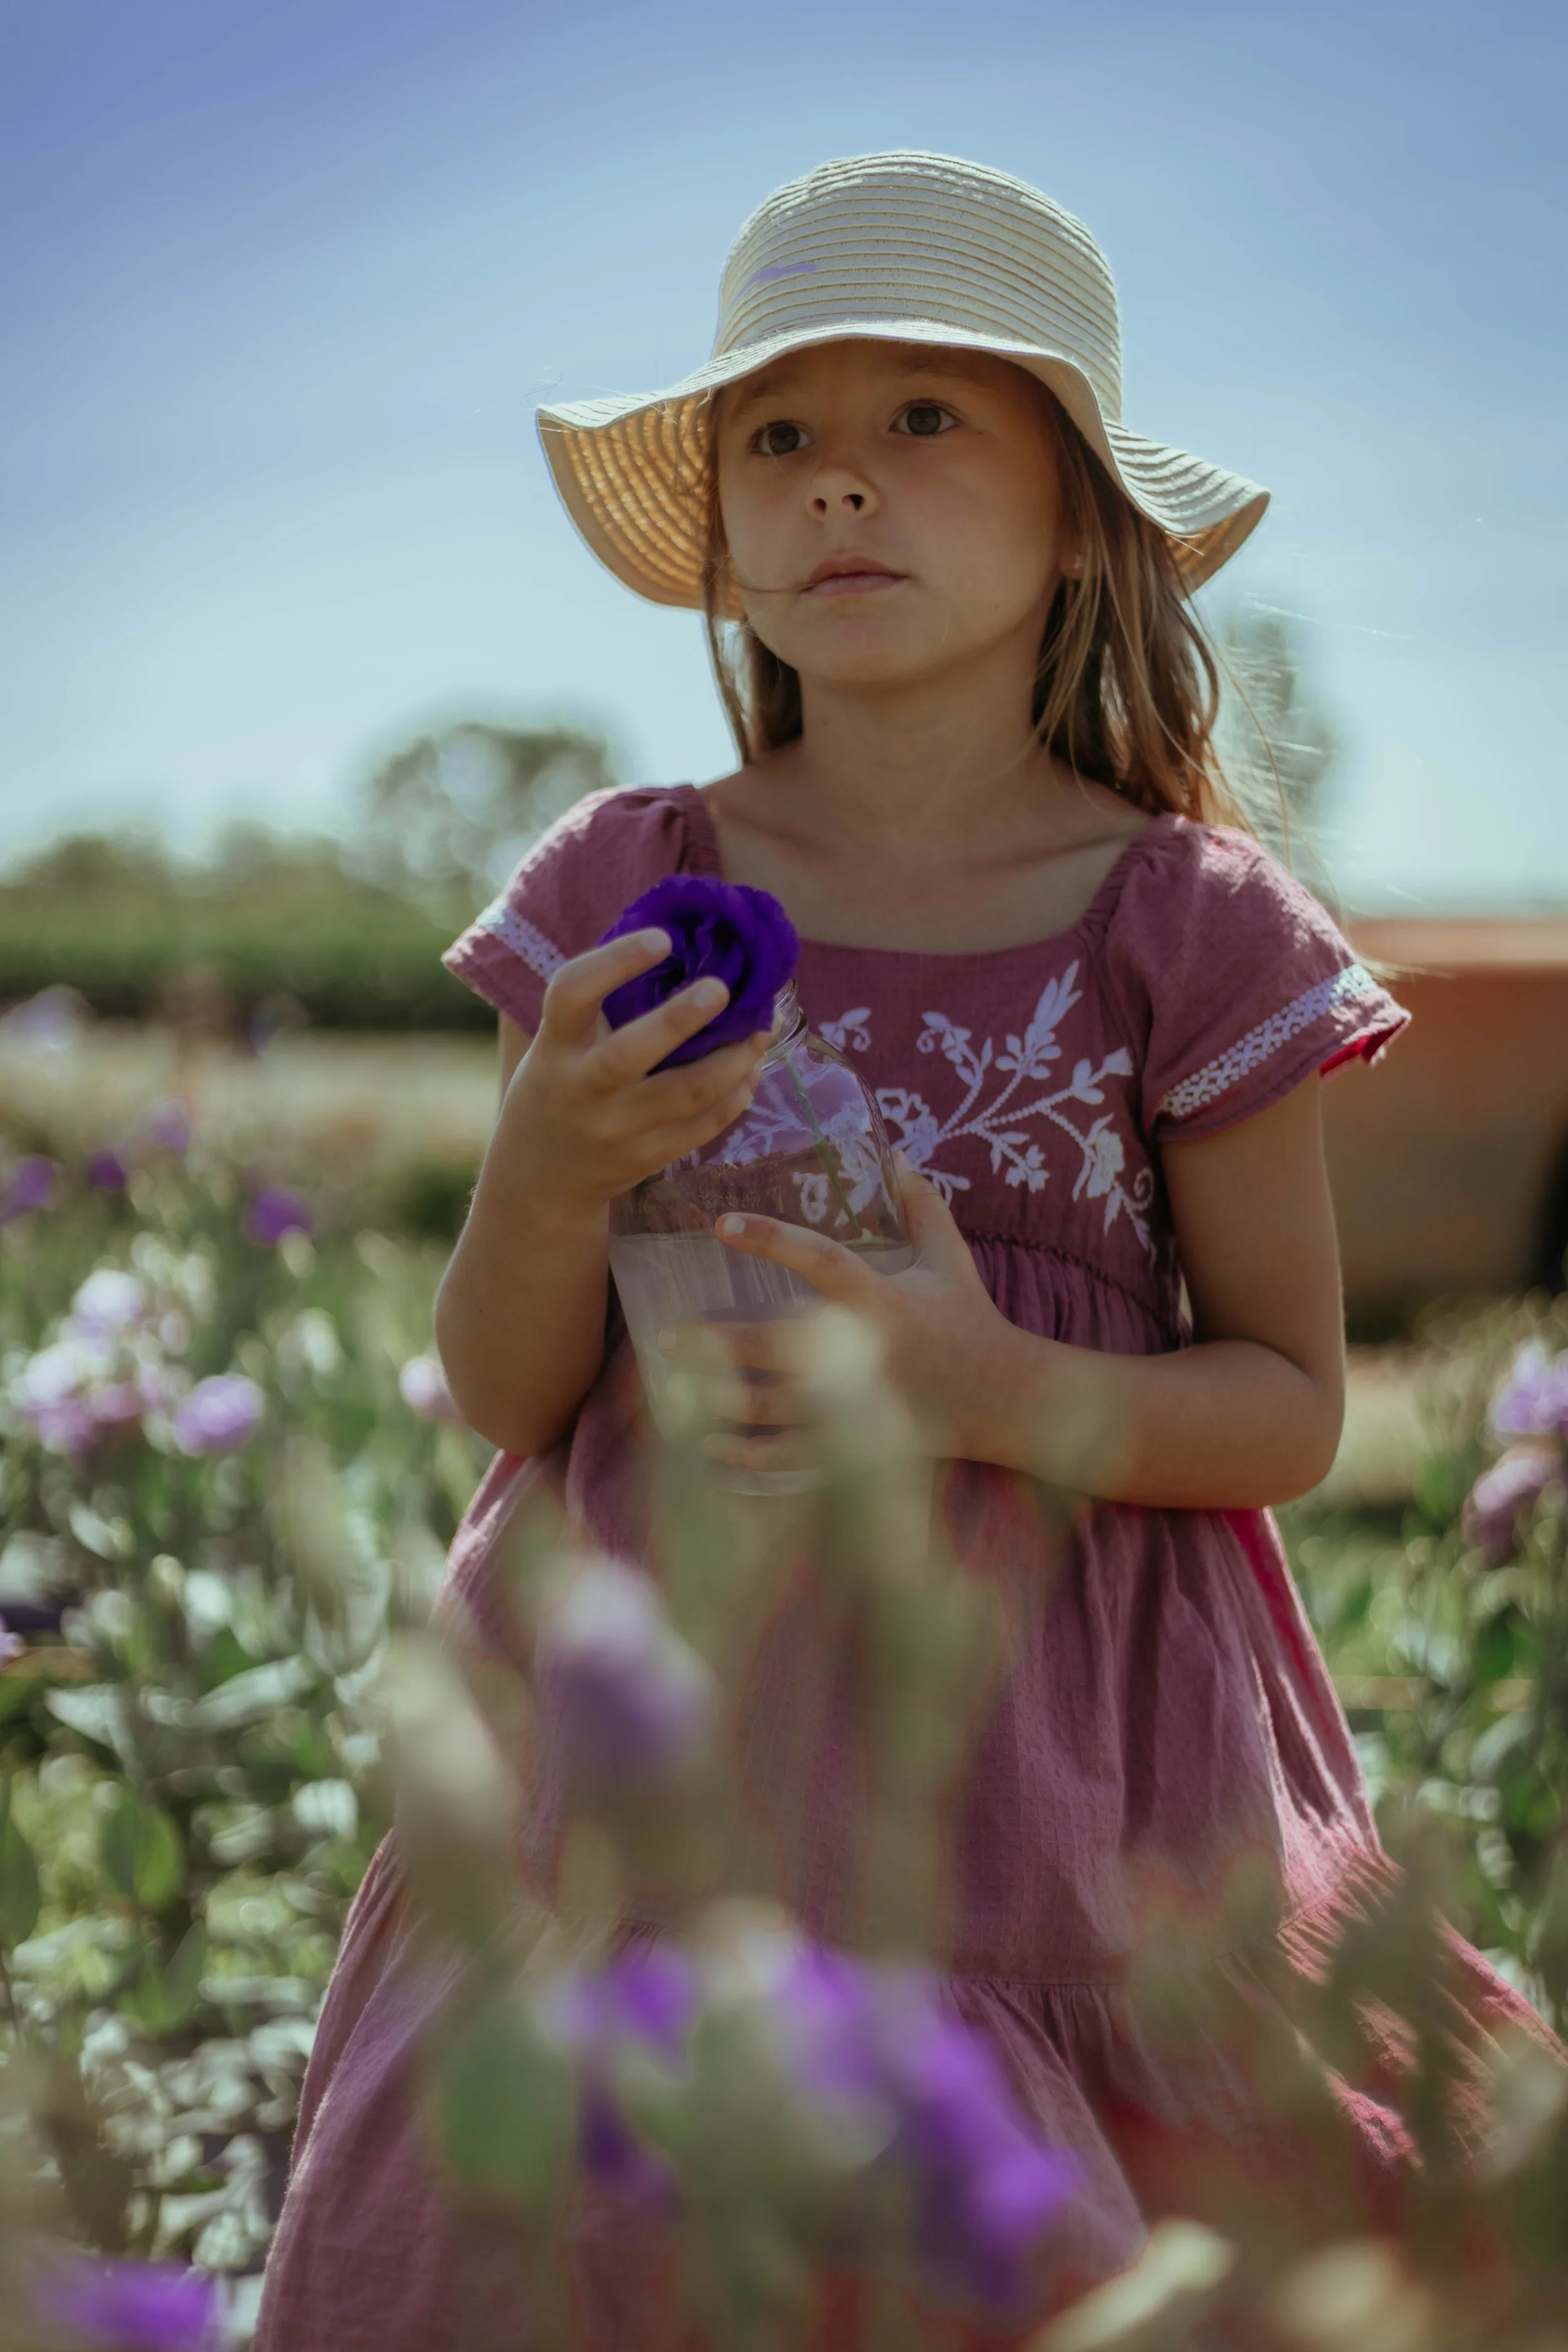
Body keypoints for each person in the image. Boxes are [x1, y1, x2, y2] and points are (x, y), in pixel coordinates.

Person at [255, 151, 1555, 2350]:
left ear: (1081, 518)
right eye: (780, 437)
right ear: (726, 537)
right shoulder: (622, 881)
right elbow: (501, 1388)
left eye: (924, 421)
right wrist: (555, 1163)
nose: (838, 482)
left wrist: (979, 1386)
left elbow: (1292, 1405)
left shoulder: (1185, 922)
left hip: (1065, 1801)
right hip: (658, 1777)